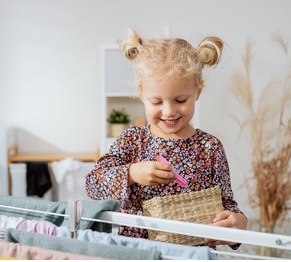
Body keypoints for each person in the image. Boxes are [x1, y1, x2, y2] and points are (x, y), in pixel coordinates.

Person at [85, 29, 247, 248]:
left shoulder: (210, 147)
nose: (169, 111)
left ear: (198, 91)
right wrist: (132, 173)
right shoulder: (133, 140)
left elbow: (226, 203)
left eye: (180, 99)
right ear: (142, 94)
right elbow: (93, 184)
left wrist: (237, 223)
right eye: (157, 102)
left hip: (193, 257)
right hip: (137, 255)